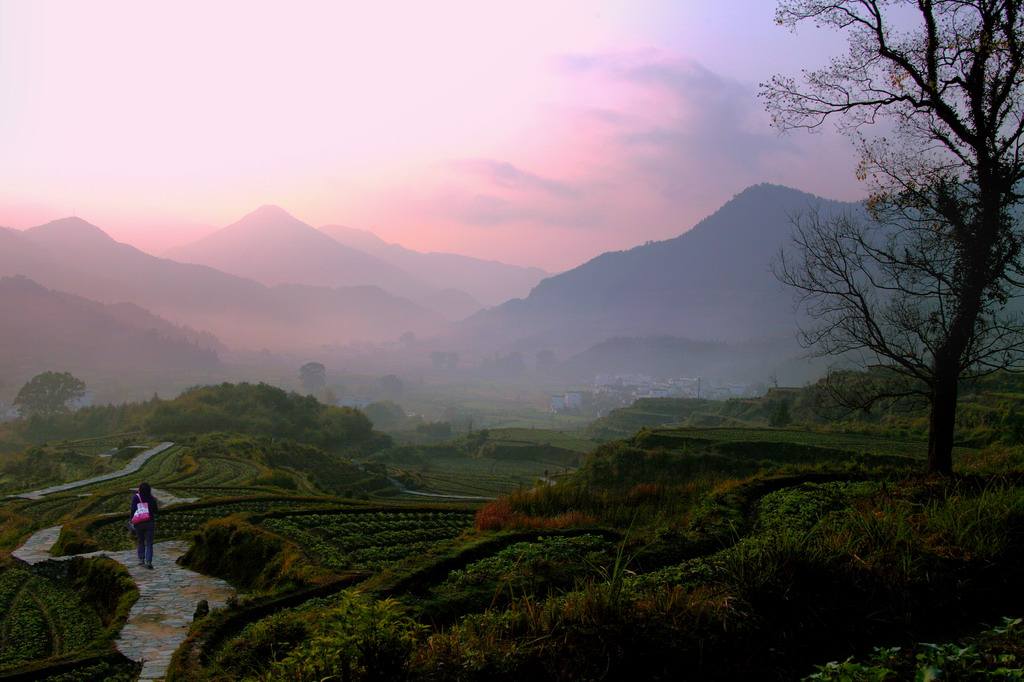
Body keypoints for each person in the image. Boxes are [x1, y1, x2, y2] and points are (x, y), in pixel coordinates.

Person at [130, 482, 159, 569]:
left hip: (139, 522)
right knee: (149, 542)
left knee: (140, 539)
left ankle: (141, 558)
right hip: (150, 522)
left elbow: (133, 510)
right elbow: (156, 511)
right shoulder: (151, 498)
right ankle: (149, 561)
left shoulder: (136, 498)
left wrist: (132, 520)